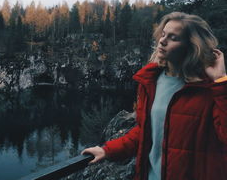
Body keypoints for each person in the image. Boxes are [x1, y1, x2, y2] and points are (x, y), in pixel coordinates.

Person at [82, 12, 227, 180]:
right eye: (163, 34)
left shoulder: (211, 87)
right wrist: (107, 150)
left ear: (192, 46)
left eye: (173, 38)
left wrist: (221, 81)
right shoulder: (150, 81)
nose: (162, 41)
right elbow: (146, 132)